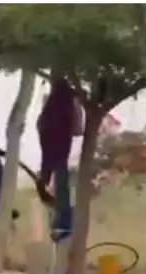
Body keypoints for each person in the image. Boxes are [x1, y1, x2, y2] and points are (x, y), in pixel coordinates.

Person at [36, 72, 84, 242]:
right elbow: (78, 129)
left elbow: (77, 129)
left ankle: (62, 224)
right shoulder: (67, 101)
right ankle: (63, 225)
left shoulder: (55, 103)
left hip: (54, 153)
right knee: (60, 188)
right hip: (57, 153)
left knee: (57, 187)